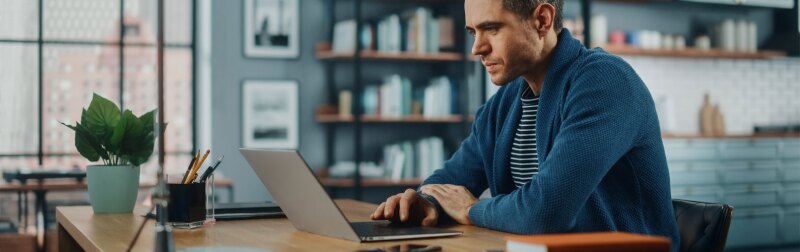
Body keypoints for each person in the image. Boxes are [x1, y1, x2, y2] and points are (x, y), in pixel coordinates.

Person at [370, 0, 681, 249]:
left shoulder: (604, 82)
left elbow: (546, 210)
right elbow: (452, 180)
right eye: (472, 32)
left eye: (491, 28)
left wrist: (470, 209)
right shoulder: (505, 103)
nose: (477, 48)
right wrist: (425, 201)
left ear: (542, 20)